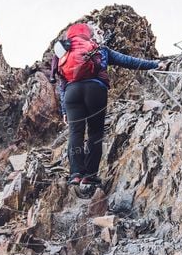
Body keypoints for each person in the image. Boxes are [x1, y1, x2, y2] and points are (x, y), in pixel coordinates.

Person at [50, 22, 164, 186]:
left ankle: (75, 173)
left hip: (71, 93)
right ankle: (90, 175)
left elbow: (62, 84)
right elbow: (128, 61)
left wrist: (64, 111)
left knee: (76, 133)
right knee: (95, 133)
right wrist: (155, 64)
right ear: (88, 34)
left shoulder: (63, 53)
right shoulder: (98, 49)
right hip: (95, 90)